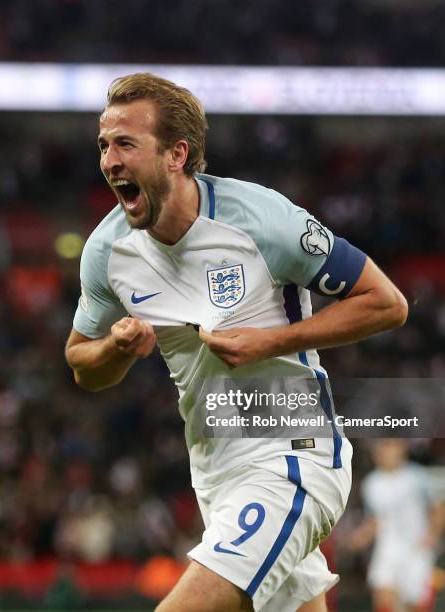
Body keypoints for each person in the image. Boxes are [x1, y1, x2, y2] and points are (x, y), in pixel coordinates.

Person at [65, 72, 408, 612]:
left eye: (126, 144)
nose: (109, 160)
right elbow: (82, 364)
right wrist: (116, 347)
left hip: (294, 457)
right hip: (216, 473)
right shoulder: (108, 252)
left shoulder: (263, 222)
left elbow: (387, 302)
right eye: (104, 145)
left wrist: (271, 342)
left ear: (176, 154)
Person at [349, 439, 444, 612]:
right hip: (388, 548)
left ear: (401, 449)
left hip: (416, 548)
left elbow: (438, 508)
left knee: (414, 604)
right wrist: (360, 538)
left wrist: (432, 535)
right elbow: (376, 520)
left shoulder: (417, 477)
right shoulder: (371, 483)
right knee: (382, 592)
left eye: (390, 446)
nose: (386, 452)